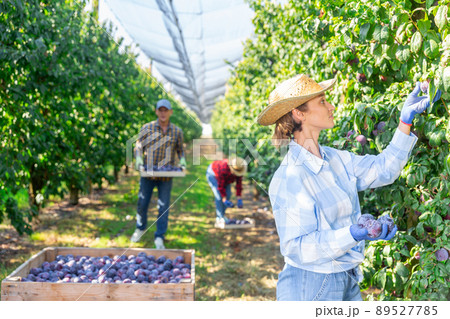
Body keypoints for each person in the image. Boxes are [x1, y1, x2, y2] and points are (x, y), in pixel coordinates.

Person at [256, 74, 441, 301]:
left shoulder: (335, 159)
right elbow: (298, 247)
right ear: (299, 113)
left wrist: (405, 122)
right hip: (311, 285)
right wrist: (353, 234)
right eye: (322, 101)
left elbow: (384, 169)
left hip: (347, 277)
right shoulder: (290, 177)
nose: (331, 106)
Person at [131, 99, 187, 249]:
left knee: (163, 207)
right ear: (156, 111)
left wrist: (182, 160)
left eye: (166, 110)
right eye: (160, 110)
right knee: (143, 203)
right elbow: (138, 145)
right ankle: (140, 228)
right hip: (148, 174)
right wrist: (137, 157)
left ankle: (159, 236)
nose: (163, 113)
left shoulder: (177, 131)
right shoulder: (147, 128)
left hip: (166, 176)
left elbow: (180, 149)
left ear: (170, 112)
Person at [206, 157, 247, 226]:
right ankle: (219, 217)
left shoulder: (239, 168)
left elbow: (238, 184)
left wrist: (239, 198)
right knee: (219, 196)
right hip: (213, 174)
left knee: (228, 194)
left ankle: (222, 215)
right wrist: (224, 199)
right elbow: (221, 186)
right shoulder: (223, 168)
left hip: (226, 178)